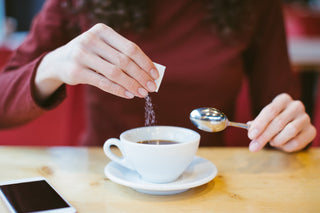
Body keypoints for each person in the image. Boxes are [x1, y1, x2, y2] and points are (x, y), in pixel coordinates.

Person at [0, 0, 316, 152]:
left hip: (210, 179)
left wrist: (289, 129)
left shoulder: (255, 6)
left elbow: (280, 112)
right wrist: (56, 63)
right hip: (104, 173)